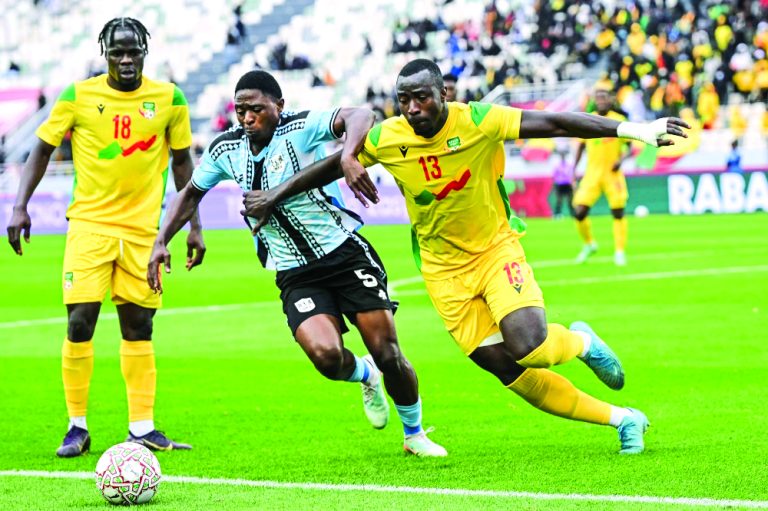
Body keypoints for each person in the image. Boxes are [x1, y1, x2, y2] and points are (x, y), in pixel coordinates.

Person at [243, 59, 689, 455]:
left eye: (421, 97)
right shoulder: (388, 137)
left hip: (495, 251)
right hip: (443, 272)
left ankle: (581, 342)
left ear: (444, 94)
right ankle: (623, 419)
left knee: (530, 345)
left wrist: (635, 130)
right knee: (507, 369)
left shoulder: (478, 120)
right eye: (403, 100)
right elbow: (326, 167)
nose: (412, 108)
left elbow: (555, 122)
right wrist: (278, 193)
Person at [148, 70, 447, 457]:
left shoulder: (302, 127)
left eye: (256, 109)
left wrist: (349, 156)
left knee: (388, 352)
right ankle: (365, 375)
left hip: (344, 254)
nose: (247, 118)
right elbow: (191, 193)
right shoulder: (226, 149)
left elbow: (361, 115)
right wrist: (162, 240)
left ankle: (414, 435)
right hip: (294, 271)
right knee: (327, 357)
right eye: (240, 110)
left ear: (279, 106)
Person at [5, 17, 205, 458]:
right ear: (105, 54)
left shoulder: (169, 99)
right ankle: (77, 426)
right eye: (118, 53)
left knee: (140, 326)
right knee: (80, 323)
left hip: (143, 233)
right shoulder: (78, 96)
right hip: (89, 227)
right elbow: (41, 149)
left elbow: (182, 163)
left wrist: (194, 225)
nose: (126, 60)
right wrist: (20, 206)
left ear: (145, 52)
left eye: (134, 52)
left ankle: (142, 426)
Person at [572, 88, 633, 266]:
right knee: (579, 211)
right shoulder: (587, 120)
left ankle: (620, 251)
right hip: (592, 173)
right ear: (594, 101)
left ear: (610, 100)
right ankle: (589, 244)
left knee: (618, 212)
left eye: (604, 98)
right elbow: (580, 146)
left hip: (612, 173)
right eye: (598, 98)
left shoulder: (619, 120)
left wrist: (621, 160)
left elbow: (630, 146)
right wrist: (573, 170)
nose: (601, 101)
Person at [551, 150, 575, 219]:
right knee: (559, 200)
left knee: (570, 200)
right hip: (560, 184)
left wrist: (573, 183)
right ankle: (557, 214)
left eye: (563, 155)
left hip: (567, 184)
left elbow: (572, 175)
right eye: (562, 156)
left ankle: (573, 214)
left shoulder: (569, 165)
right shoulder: (557, 166)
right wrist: (554, 186)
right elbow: (554, 176)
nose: (563, 157)